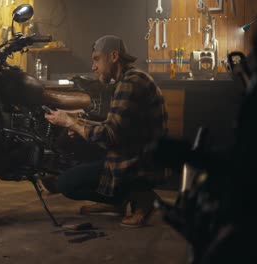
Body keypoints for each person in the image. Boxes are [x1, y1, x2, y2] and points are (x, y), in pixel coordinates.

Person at [45, 35, 168, 227]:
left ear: (113, 56)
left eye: (96, 59)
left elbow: (110, 136)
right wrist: (79, 121)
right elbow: (114, 126)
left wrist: (71, 123)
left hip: (139, 163)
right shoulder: (129, 78)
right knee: (78, 140)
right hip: (132, 151)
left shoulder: (130, 83)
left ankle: (143, 198)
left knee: (65, 184)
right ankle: (117, 202)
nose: (93, 67)